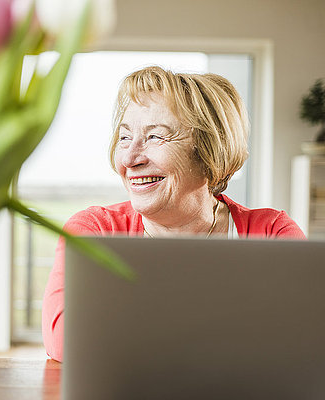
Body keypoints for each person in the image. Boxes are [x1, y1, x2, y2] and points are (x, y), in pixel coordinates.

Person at [42, 66, 305, 362]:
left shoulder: (272, 233)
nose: (129, 158)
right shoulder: (94, 229)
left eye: (155, 137)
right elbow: (65, 339)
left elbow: (303, 339)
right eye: (125, 137)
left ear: (209, 151)